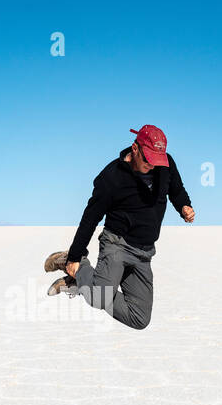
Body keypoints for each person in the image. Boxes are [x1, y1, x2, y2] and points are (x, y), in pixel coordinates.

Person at [44, 125, 195, 330]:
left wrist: (184, 206)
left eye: (157, 160)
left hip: (144, 252)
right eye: (148, 159)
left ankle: (83, 282)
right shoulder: (111, 177)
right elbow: (90, 218)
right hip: (117, 245)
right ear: (135, 148)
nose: (152, 165)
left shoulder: (165, 165)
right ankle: (80, 266)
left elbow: (176, 190)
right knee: (99, 299)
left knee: (139, 319)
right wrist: (75, 256)